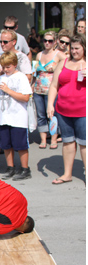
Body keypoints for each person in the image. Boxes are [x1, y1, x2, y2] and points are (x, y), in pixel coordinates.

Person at [47, 34, 86, 185]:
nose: (74, 51)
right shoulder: (63, 62)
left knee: (84, 143)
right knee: (68, 142)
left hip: (83, 111)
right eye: (72, 48)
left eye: (78, 48)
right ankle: (67, 174)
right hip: (63, 110)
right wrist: (50, 104)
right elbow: (54, 85)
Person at [0, 51, 33, 181]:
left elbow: (25, 97)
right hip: (4, 117)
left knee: (20, 145)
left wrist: (9, 91)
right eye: (3, 67)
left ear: (15, 64)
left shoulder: (21, 77)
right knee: (6, 144)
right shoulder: (0, 78)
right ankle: (10, 167)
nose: (5, 70)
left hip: (18, 118)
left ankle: (25, 168)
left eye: (8, 67)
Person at [33, 31, 65, 149]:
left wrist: (58, 68)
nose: (47, 43)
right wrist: (32, 84)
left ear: (55, 42)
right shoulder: (39, 55)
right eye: (45, 40)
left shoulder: (59, 54)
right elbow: (34, 71)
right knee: (41, 115)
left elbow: (69, 63)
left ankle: (53, 138)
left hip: (52, 89)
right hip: (38, 89)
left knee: (52, 114)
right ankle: (43, 139)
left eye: (50, 41)